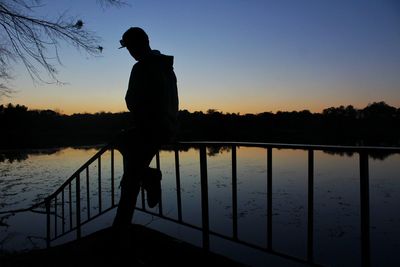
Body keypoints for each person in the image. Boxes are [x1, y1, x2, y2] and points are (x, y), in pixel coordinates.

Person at [112, 27, 179, 228]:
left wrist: (140, 119)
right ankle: (148, 176)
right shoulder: (165, 66)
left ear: (142, 43)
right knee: (131, 176)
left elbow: (132, 100)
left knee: (130, 179)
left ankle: (120, 231)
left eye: (132, 47)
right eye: (129, 48)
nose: (131, 52)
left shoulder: (142, 67)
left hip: (150, 130)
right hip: (166, 127)